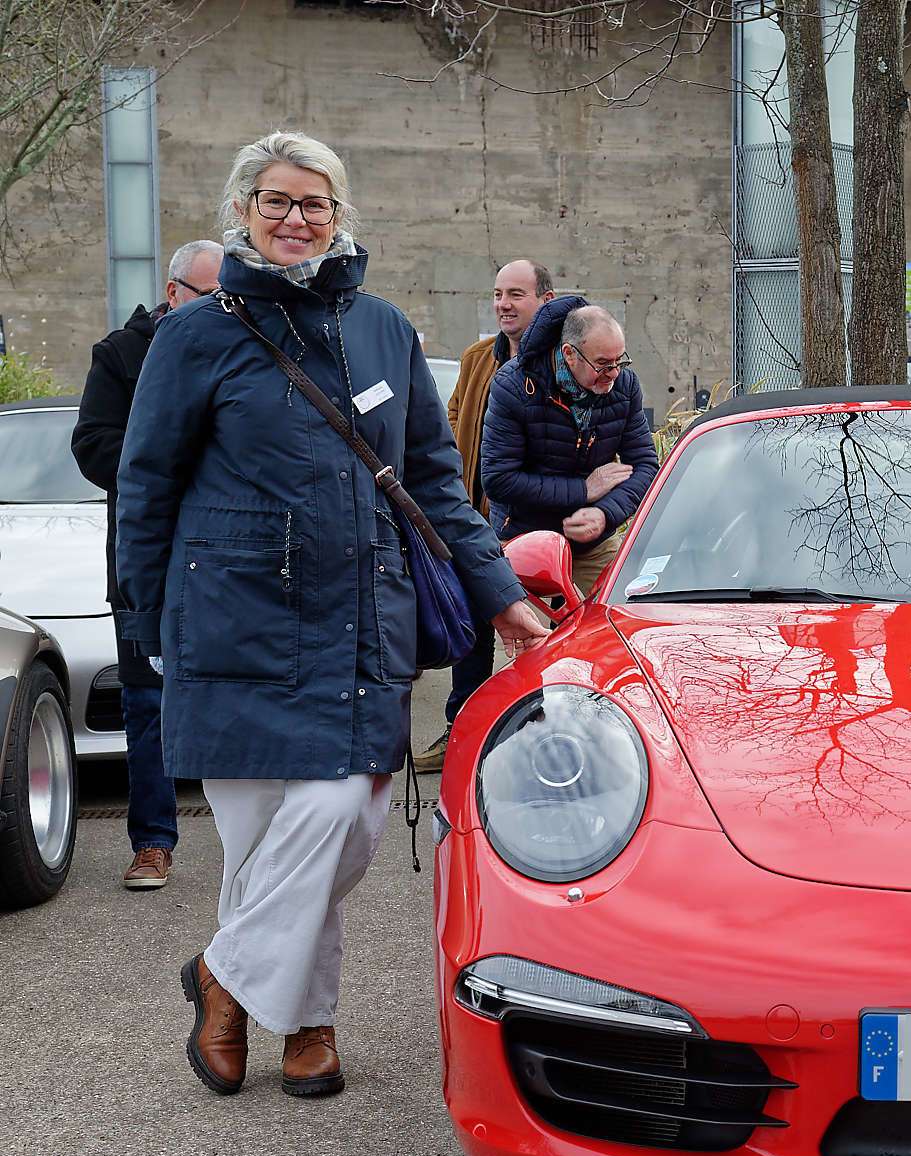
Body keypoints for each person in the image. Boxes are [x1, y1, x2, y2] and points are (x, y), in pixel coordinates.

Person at [117, 130, 550, 1099]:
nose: (294, 218)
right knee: (258, 840)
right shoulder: (196, 335)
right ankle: (309, 1022)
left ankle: (223, 976)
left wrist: (501, 595)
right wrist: (146, 621)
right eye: (275, 200)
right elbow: (145, 486)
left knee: (339, 818)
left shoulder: (384, 328)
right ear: (243, 210)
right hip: (231, 620)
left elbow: (434, 482)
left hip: (359, 618)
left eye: (313, 202)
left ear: (338, 213)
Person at [70, 239, 223, 892]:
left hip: (225, 556)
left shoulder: (243, 349)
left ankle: (257, 842)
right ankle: (153, 841)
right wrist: (163, 466)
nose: (221, 307)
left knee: (234, 693)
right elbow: (92, 445)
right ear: (172, 292)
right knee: (145, 700)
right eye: (209, 295)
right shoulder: (120, 354)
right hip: (146, 556)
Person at [412, 258, 556, 774]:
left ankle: (543, 732)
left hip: (539, 526)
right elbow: (452, 419)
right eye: (498, 294)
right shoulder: (477, 358)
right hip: (477, 520)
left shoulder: (559, 361)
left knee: (538, 633)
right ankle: (462, 729)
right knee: (472, 630)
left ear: (545, 299)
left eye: (516, 294)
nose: (503, 305)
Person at [479, 297, 658, 597]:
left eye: (620, 361)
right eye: (603, 364)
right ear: (569, 354)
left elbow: (645, 466)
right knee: (529, 627)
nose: (614, 373)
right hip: (526, 541)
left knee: (619, 611)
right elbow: (498, 479)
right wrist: (583, 491)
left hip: (594, 542)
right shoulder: (513, 387)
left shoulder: (624, 386)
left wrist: (605, 514)